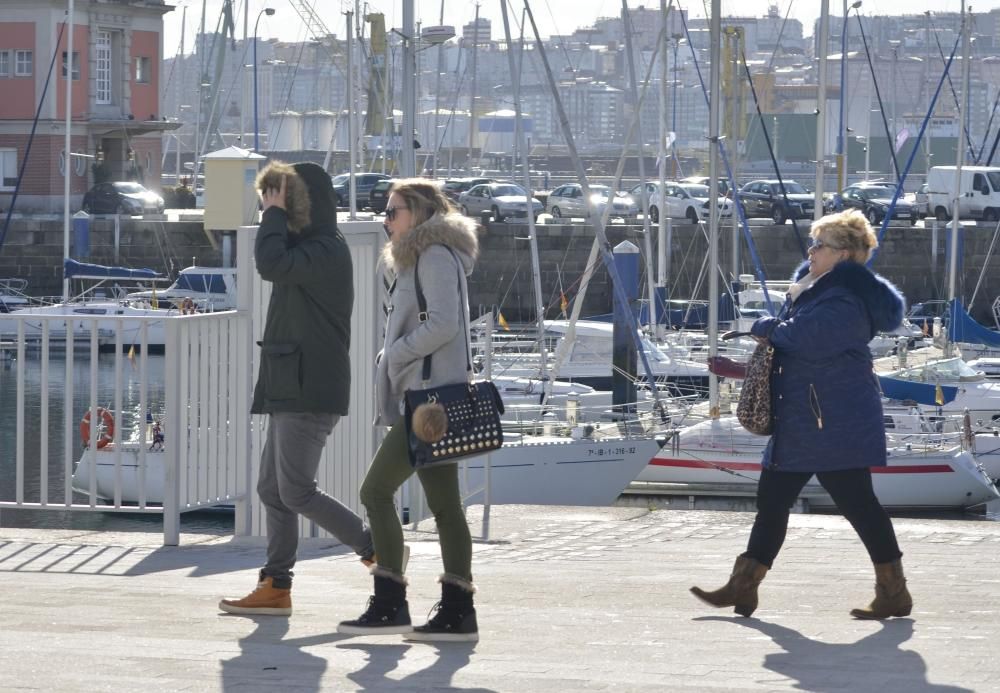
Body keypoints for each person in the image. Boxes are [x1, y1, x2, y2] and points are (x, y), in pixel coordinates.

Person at [690, 209, 913, 620]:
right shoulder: (817, 291)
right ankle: (742, 587)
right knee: (772, 501)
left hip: (831, 423)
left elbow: (802, 339)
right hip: (807, 419)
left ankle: (893, 592)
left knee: (858, 504)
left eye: (819, 245)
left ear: (843, 255)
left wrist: (765, 325)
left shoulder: (843, 301)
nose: (810, 251)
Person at [219, 162, 374, 616]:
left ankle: (375, 547)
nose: (273, 210)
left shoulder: (326, 250)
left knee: (296, 491)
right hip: (292, 386)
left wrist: (272, 214)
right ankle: (276, 585)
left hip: (309, 389)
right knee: (272, 488)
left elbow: (269, 263)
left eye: (283, 202)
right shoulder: (311, 247)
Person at [337, 178, 481, 642]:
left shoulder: (435, 255)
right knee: (444, 506)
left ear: (417, 213)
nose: (386, 219)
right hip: (422, 396)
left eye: (394, 210)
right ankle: (456, 611)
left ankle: (390, 603)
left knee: (375, 492)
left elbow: (444, 323)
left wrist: (395, 354)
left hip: (428, 401)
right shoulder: (417, 257)